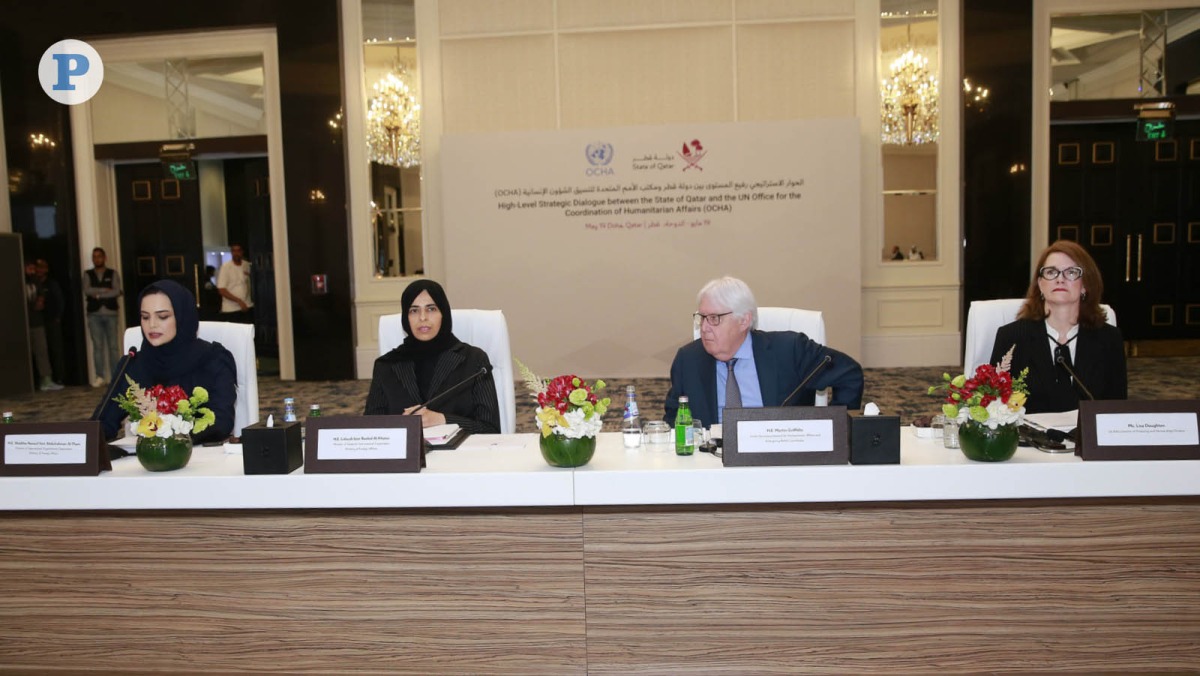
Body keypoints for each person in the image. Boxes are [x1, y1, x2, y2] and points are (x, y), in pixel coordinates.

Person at [665, 276, 864, 427]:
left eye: (714, 318)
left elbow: (849, 374)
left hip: (779, 458)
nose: (705, 327)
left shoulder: (790, 350)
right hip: (713, 461)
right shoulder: (688, 360)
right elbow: (674, 419)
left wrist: (833, 428)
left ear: (744, 321)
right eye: (702, 317)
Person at [989, 240, 1126, 414]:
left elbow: (1117, 408)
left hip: (1086, 439)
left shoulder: (1109, 338)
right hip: (1030, 439)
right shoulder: (1011, 337)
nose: (1060, 279)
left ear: (1085, 285)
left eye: (1071, 272)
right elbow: (994, 406)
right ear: (1040, 284)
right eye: (1051, 272)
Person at [99, 280, 237, 444]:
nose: (152, 325)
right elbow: (103, 423)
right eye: (145, 317)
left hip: (203, 460)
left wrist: (169, 435)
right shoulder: (133, 364)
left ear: (182, 317)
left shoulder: (213, 359)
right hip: (147, 464)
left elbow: (221, 422)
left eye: (162, 316)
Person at [364, 279, 500, 433]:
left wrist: (442, 420)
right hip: (407, 455)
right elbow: (370, 430)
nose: (423, 317)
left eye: (431, 309)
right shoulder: (386, 365)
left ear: (444, 313)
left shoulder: (474, 361)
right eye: (414, 310)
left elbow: (491, 429)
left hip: (460, 454)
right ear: (406, 318)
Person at [84, 247, 123, 386]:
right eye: (94, 257)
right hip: (94, 314)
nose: (97, 259)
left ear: (104, 258)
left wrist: (98, 295)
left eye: (99, 256)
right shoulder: (88, 274)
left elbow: (116, 291)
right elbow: (87, 290)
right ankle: (99, 376)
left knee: (113, 346)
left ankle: (115, 377)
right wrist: (104, 290)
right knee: (98, 346)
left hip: (111, 313)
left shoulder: (112, 273)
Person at [25, 261, 61, 391]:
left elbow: (42, 294)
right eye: (30, 268)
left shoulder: (36, 281)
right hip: (23, 323)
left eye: (34, 268)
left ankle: (46, 380)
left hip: (37, 321)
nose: (33, 271)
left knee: (42, 350)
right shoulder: (19, 280)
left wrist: (40, 300)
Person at [34, 259, 66, 385]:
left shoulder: (52, 284)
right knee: (41, 351)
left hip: (52, 321)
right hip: (38, 322)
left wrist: (58, 317)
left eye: (42, 267)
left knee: (55, 349)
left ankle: (59, 377)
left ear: (46, 269)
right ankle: (43, 379)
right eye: (38, 267)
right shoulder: (33, 283)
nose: (39, 270)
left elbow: (60, 301)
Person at [217, 244, 253, 324]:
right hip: (231, 309)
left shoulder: (247, 265)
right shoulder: (226, 267)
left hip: (247, 306)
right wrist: (239, 301)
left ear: (242, 252)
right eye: (234, 251)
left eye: (238, 251)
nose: (236, 253)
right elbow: (222, 290)